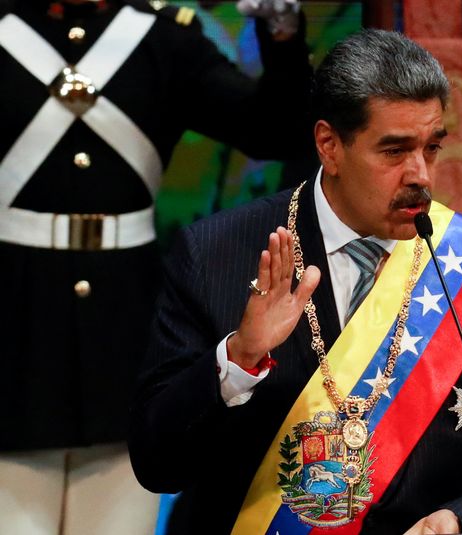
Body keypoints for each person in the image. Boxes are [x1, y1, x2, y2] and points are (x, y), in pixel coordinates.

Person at [129, 29, 462, 535]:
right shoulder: (214, 255)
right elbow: (156, 463)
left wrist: (460, 522)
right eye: (394, 151)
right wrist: (239, 358)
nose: (420, 175)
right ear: (330, 145)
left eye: (432, 148)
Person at [0, 0, 312, 534]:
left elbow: (273, 130)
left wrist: (281, 34)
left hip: (127, 341)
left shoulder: (162, 38)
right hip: (12, 339)